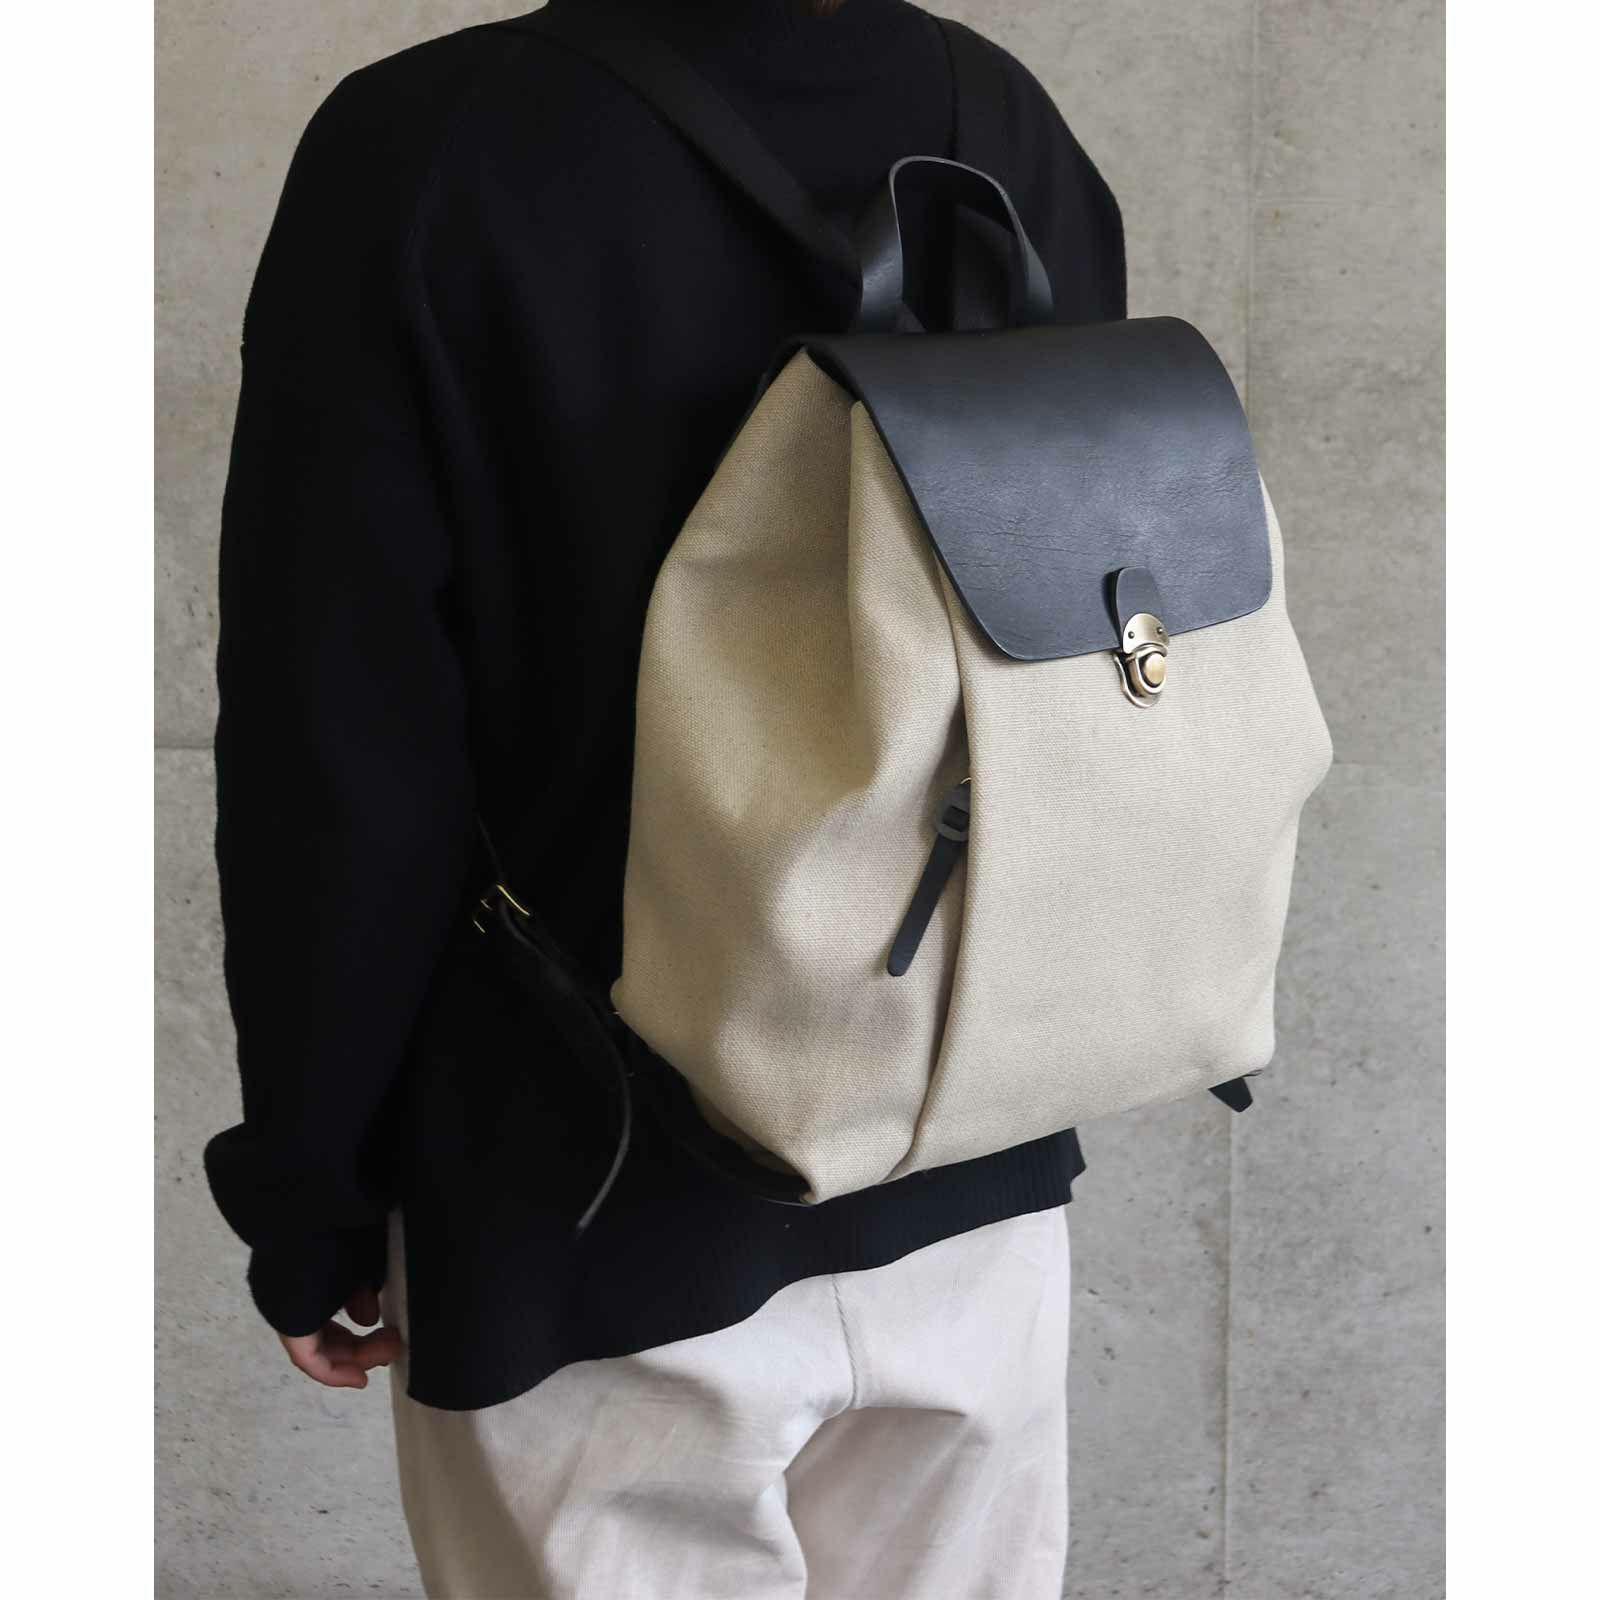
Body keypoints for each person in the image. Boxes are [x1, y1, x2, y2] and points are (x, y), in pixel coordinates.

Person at [205, 1, 1125, 1593]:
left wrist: (314, 1195)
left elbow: (342, 747)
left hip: (583, 1195)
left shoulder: (428, 150)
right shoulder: (1001, 122)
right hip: (967, 1173)